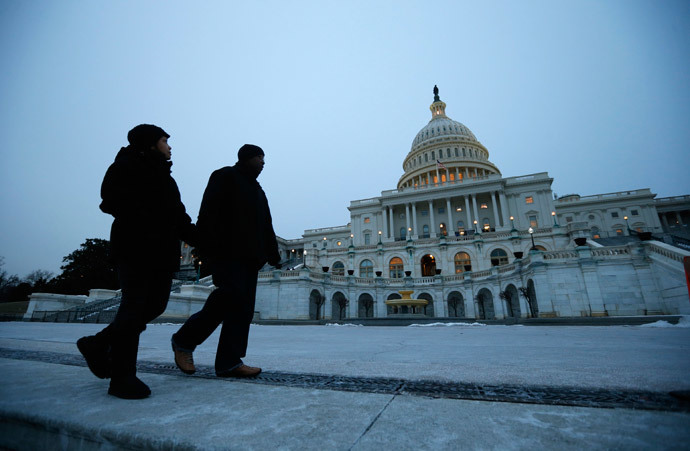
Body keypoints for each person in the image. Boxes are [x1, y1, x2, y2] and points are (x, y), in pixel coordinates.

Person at [77, 124, 196, 399]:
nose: (170, 146)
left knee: (155, 305)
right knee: (133, 309)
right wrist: (150, 218)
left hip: (162, 251)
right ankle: (122, 377)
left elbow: (180, 218)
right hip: (135, 246)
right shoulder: (125, 165)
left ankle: (97, 343)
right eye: (165, 140)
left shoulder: (167, 178)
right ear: (151, 143)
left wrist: (209, 242)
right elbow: (109, 201)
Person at [171, 144, 281, 378]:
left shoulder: (259, 191)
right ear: (246, 158)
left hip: (251, 259)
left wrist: (273, 254)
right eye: (259, 157)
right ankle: (184, 341)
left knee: (242, 311)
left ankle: (229, 362)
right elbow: (207, 213)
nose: (263, 162)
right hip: (227, 254)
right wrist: (205, 247)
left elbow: (266, 225)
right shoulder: (224, 176)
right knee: (225, 299)